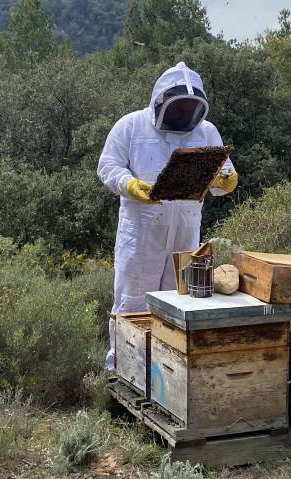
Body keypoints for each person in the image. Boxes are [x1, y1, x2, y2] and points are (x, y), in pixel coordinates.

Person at [97, 61, 238, 370]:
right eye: (178, 108)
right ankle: (122, 371)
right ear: (160, 101)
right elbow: (107, 166)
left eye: (189, 109)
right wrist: (131, 185)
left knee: (178, 301)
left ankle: (166, 375)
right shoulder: (131, 126)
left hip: (186, 232)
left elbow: (223, 177)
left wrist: (225, 181)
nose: (183, 115)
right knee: (133, 302)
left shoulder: (207, 131)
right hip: (142, 234)